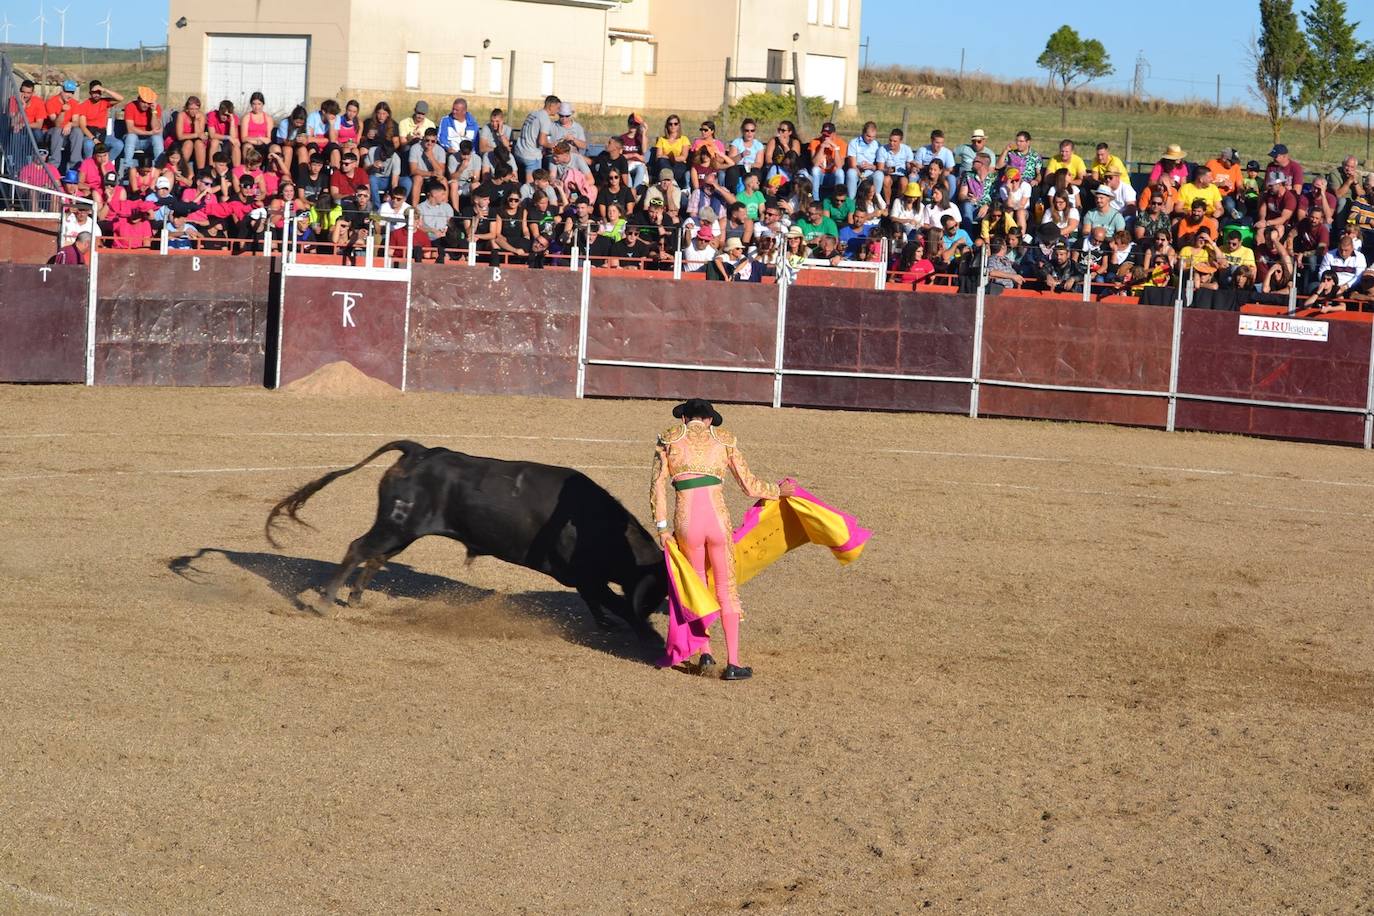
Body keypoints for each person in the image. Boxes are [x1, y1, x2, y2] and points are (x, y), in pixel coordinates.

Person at [650, 399, 794, 680]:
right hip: (717, 521)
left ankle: (705, 654)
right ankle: (734, 662)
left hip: (686, 523)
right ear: (708, 421)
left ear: (684, 420)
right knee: (726, 588)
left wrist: (663, 529)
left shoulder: (669, 439)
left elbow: (657, 487)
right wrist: (777, 491)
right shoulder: (724, 440)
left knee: (698, 588)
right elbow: (749, 485)